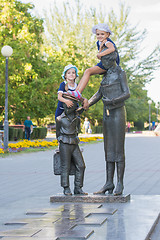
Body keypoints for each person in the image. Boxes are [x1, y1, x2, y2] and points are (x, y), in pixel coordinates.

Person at [86, 50, 130, 195]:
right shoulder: (105, 75)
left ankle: (120, 184)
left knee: (118, 149)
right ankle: (108, 183)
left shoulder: (120, 73)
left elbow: (127, 93)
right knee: (108, 148)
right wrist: (85, 106)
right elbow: (99, 94)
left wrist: (112, 101)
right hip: (107, 114)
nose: (101, 64)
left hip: (117, 112)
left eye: (104, 61)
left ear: (112, 60)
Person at [67, 23, 120, 102]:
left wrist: (100, 54)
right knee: (87, 71)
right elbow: (100, 54)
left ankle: (78, 92)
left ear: (108, 34)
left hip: (110, 64)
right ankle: (76, 92)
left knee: (88, 71)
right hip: (104, 62)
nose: (100, 36)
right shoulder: (99, 42)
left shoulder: (107, 42)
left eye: (102, 34)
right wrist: (100, 50)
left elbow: (112, 49)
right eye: (98, 34)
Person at [56, 94, 87, 196]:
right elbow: (58, 134)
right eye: (66, 105)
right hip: (64, 143)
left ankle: (78, 188)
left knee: (81, 165)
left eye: (70, 106)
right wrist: (59, 146)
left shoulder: (77, 119)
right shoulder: (59, 119)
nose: (67, 108)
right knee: (65, 166)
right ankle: (66, 187)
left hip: (74, 142)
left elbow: (77, 131)